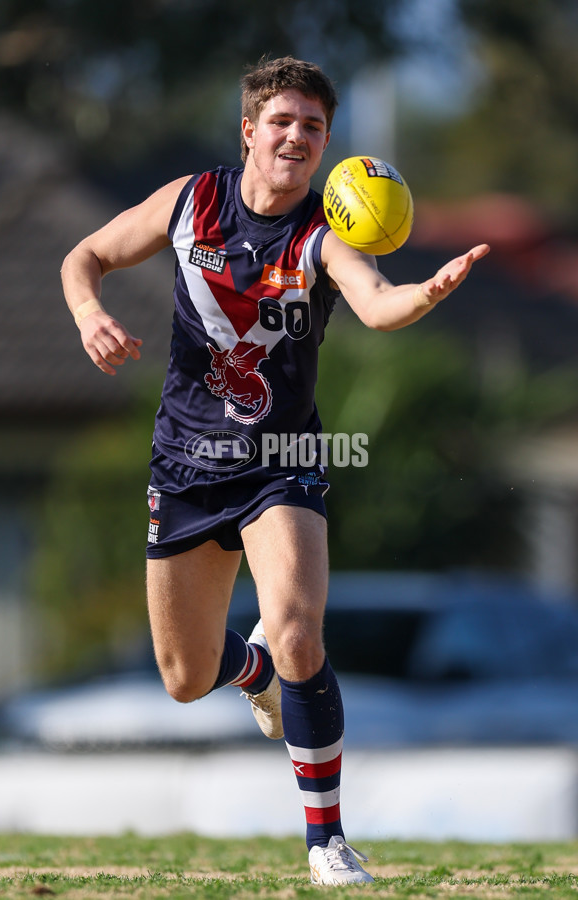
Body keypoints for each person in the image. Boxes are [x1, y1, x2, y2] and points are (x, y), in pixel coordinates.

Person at [61, 55, 489, 885]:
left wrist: (425, 293)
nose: (298, 136)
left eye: (315, 127)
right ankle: (252, 669)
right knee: (186, 678)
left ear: (327, 144)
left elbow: (375, 300)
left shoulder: (324, 235)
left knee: (298, 630)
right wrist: (89, 313)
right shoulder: (192, 201)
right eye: (284, 122)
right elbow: (86, 255)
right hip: (184, 463)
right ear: (251, 131)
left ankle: (326, 840)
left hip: (279, 465)